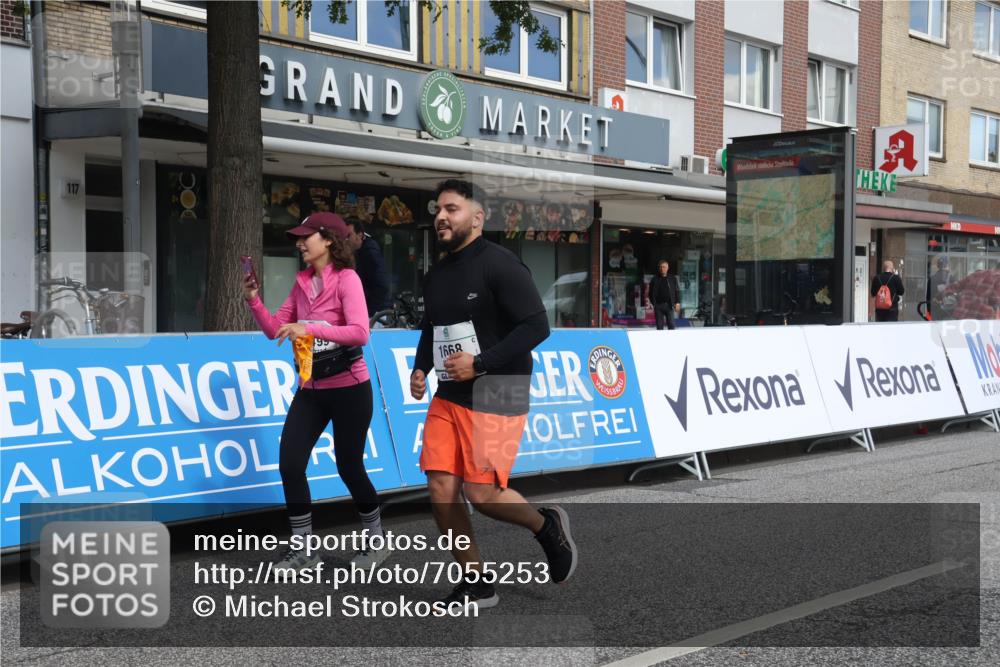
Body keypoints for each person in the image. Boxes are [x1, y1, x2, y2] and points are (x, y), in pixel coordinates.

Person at [409, 179, 578, 610]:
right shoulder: (437, 274)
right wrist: (420, 366)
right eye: (438, 209)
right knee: (441, 491)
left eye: (452, 209)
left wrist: (480, 363)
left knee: (482, 496)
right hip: (450, 394)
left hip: (501, 387)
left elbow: (537, 327)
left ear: (477, 218)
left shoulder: (501, 265)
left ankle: (546, 526)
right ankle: (477, 582)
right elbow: (433, 327)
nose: (442, 217)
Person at [244, 212, 388, 571]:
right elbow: (276, 329)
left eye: (306, 236)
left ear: (328, 240)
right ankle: (303, 550)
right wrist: (253, 299)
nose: (299, 242)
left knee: (349, 466)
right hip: (311, 387)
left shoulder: (348, 279)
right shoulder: (302, 283)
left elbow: (360, 333)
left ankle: (376, 541)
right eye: (298, 237)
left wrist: (308, 327)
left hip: (351, 387)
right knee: (290, 464)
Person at [344, 217, 391, 317]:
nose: (346, 239)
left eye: (349, 235)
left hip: (375, 313)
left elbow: (381, 284)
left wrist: (368, 312)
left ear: (360, 235)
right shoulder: (360, 251)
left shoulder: (370, 253)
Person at [646, 260, 681, 330]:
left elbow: (677, 291)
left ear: (667, 268)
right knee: (659, 326)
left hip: (669, 305)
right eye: (661, 267)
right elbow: (650, 293)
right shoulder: (654, 279)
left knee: (671, 324)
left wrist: (677, 302)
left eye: (664, 267)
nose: (662, 269)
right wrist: (654, 303)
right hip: (658, 306)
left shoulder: (672, 278)